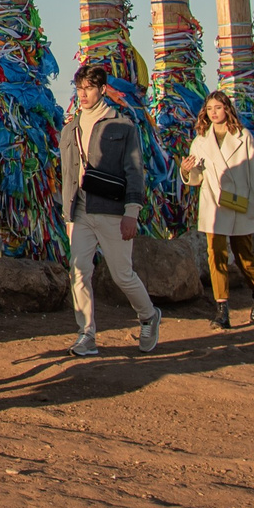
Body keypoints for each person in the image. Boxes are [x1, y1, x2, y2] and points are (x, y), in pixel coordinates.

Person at [57, 62, 160, 356]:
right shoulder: (70, 129)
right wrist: (68, 215)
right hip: (80, 212)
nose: (83, 94)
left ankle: (149, 316)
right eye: (79, 88)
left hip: (113, 210)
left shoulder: (123, 126)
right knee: (79, 272)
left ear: (102, 89)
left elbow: (135, 170)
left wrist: (132, 212)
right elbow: (67, 174)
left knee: (122, 274)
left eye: (89, 88)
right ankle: (86, 334)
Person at [180, 89, 254, 328]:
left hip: (240, 202)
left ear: (226, 109)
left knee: (244, 257)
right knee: (215, 255)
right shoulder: (200, 141)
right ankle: (222, 310)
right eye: (209, 109)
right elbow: (197, 178)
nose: (213, 113)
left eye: (217, 108)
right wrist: (186, 170)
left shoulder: (243, 136)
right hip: (214, 203)